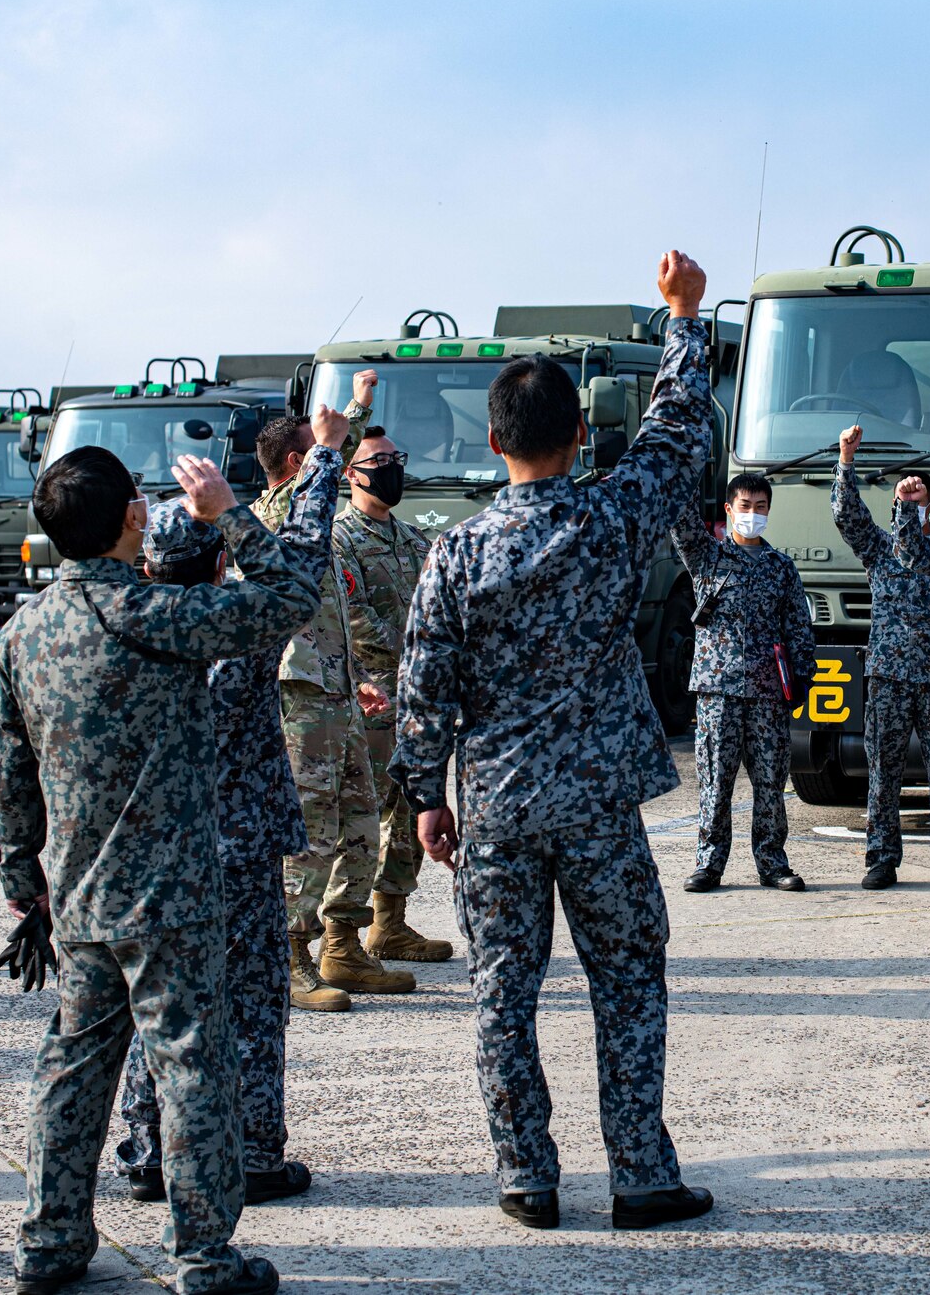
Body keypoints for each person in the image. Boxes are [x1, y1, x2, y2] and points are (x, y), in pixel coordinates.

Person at [392, 250, 716, 1234]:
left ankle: (525, 1173)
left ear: (492, 442)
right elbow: (675, 428)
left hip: (493, 801)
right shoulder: (616, 513)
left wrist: (422, 796)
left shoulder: (456, 550)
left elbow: (422, 685)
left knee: (501, 986)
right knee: (627, 973)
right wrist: (682, 318)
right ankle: (640, 1174)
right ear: (580, 434)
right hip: (597, 803)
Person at [0, 417, 345, 1295]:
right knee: (192, 1068)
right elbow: (293, 592)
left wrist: (20, 881)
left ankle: (50, 1239)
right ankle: (203, 1254)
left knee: (73, 1066)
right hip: (171, 895)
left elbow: (9, 775)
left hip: (76, 897)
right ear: (130, 521)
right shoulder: (156, 616)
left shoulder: (23, 632)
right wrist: (230, 515)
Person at [113, 497, 331, 1208]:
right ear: (218, 564)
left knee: (158, 1000)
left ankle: (148, 1150)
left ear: (149, 566)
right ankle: (257, 1150)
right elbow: (297, 569)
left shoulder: (121, 625)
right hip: (238, 850)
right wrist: (322, 459)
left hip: (154, 853)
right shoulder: (241, 631)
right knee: (253, 1004)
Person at [252, 395, 408, 1008]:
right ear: (299, 461)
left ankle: (342, 945)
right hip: (300, 696)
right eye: (322, 453)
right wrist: (343, 424)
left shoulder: (309, 523)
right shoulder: (273, 513)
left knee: (360, 822)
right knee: (312, 829)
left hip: (336, 687)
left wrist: (354, 675)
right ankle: (289, 955)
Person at [831, 429, 930, 892]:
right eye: (905, 498)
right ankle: (880, 860)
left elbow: (915, 545)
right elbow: (847, 517)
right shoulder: (878, 547)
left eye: (919, 498)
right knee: (882, 773)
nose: (912, 503)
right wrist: (846, 462)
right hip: (889, 676)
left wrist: (908, 512)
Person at [335, 428, 452, 961]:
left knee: (410, 809)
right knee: (362, 816)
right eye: (376, 460)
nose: (390, 467)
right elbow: (353, 619)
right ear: (349, 474)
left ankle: (391, 922)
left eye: (395, 458)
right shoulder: (340, 540)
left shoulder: (413, 540)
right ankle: (341, 937)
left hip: (416, 701)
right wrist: (416, 654)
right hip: (370, 697)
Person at [672, 473, 816, 893]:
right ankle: (708, 865)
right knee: (716, 781)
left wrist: (802, 678)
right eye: (745, 506)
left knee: (771, 782)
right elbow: (680, 520)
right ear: (729, 510)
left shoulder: (781, 568)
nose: (753, 514)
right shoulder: (706, 558)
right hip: (718, 690)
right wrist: (684, 465)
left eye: (761, 506)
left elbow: (798, 628)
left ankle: (773, 864)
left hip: (768, 693)